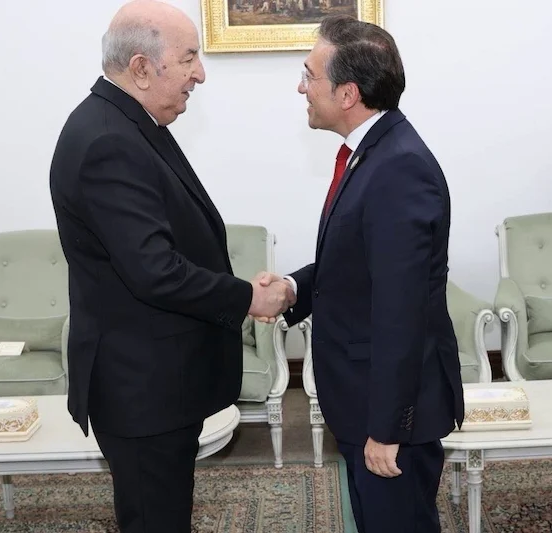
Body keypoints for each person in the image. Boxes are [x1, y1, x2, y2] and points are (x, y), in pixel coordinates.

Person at [48, 1, 291, 531]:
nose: (199, 74)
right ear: (141, 68)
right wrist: (249, 297)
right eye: (188, 59)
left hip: (157, 383)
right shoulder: (109, 140)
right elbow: (154, 270)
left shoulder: (128, 123)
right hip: (142, 390)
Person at [255, 14, 464, 533]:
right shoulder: (370, 153)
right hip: (364, 399)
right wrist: (293, 289)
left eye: (309, 75)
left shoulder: (398, 168)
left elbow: (401, 310)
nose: (301, 87)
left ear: (347, 93)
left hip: (388, 415)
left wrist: (387, 430)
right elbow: (357, 265)